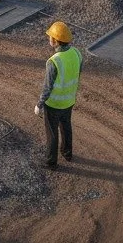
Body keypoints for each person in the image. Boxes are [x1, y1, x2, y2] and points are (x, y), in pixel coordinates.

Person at [35, 21, 82, 167]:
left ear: (55, 41)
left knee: (52, 133)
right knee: (66, 127)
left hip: (54, 104)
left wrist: (39, 104)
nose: (49, 39)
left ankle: (51, 162)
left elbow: (47, 87)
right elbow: (77, 74)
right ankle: (67, 153)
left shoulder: (54, 61)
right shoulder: (77, 53)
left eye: (50, 37)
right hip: (69, 101)